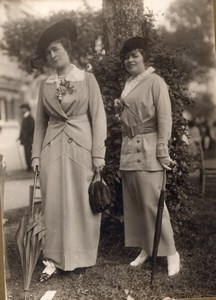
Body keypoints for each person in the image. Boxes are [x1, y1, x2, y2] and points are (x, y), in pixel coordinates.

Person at [31, 18, 107, 282]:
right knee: (53, 204)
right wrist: (36, 155)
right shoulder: (45, 84)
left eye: (56, 50)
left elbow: (98, 118)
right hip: (52, 149)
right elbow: (40, 123)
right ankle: (52, 259)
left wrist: (99, 154)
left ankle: (81, 257)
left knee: (81, 204)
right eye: (48, 52)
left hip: (81, 149)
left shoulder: (87, 80)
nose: (52, 55)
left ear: (67, 49)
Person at [117, 37, 180, 276]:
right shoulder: (129, 83)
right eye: (126, 56)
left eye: (135, 55)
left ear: (145, 58)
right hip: (129, 150)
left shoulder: (155, 82)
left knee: (153, 204)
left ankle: (172, 252)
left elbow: (165, 118)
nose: (130, 60)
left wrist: (162, 149)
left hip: (149, 148)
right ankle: (146, 247)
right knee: (136, 203)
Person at [18, 103, 35, 171]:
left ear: (26, 109)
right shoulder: (25, 117)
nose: (22, 110)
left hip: (29, 139)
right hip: (26, 139)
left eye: (23, 108)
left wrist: (25, 134)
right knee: (26, 152)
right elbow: (23, 129)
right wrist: (20, 136)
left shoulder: (30, 117)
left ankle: (30, 167)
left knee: (29, 153)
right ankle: (28, 167)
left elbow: (31, 128)